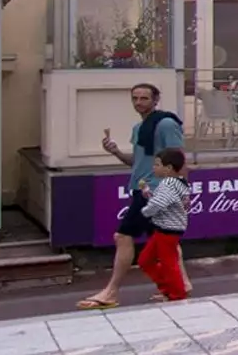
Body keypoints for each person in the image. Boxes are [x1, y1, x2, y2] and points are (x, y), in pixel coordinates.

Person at [77, 83, 186, 310]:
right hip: (141, 188)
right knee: (164, 241)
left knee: (123, 236)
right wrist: (115, 151)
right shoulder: (139, 128)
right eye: (135, 98)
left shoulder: (165, 124)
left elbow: (179, 160)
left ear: (155, 100)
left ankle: (111, 291)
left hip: (156, 191)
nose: (139, 103)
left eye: (144, 98)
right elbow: (136, 163)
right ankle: (181, 284)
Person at [137, 148, 192, 302]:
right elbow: (165, 201)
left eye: (157, 165)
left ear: (168, 168)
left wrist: (144, 212)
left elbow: (158, 204)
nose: (154, 168)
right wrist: (149, 194)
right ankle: (168, 287)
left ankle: (177, 293)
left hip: (168, 230)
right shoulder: (178, 183)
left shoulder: (168, 183)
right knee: (145, 260)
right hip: (165, 229)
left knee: (168, 263)